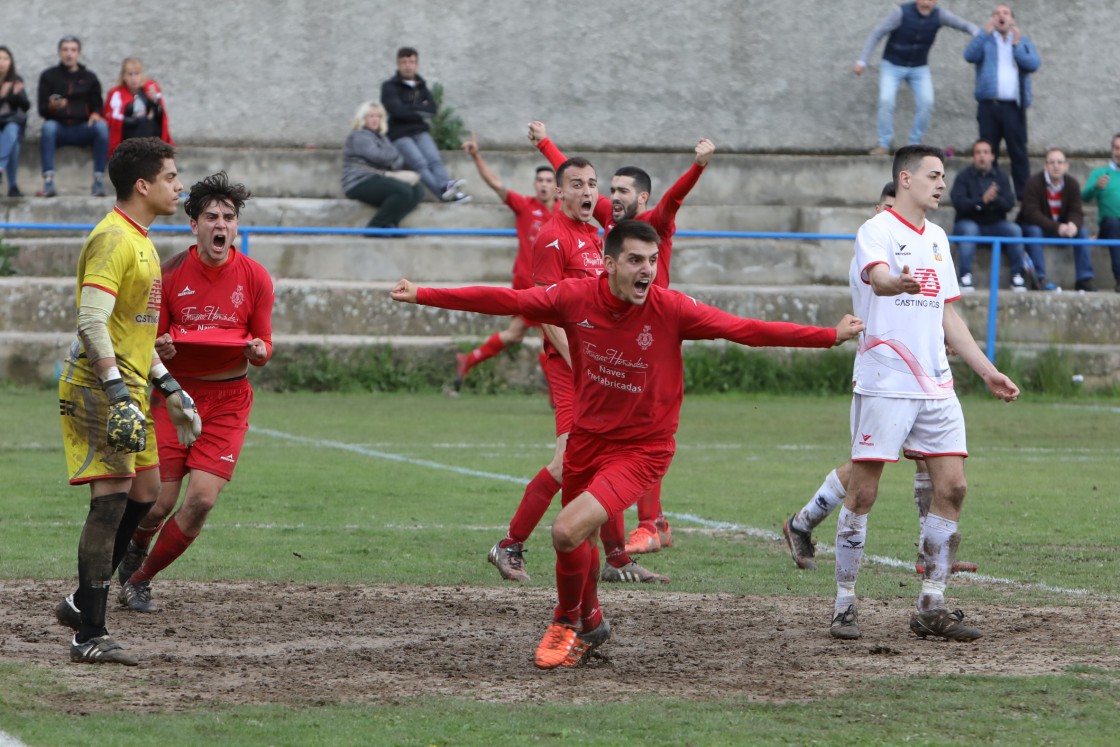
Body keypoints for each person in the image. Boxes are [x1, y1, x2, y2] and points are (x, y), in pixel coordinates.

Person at [390, 219, 864, 668]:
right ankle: (592, 621)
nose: (647, 270)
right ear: (609, 263)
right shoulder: (575, 298)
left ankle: (565, 621)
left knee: (565, 530)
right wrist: (422, 294)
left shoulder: (671, 308)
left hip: (642, 451)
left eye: (652, 261)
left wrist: (828, 336)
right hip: (587, 442)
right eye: (636, 260)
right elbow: (503, 300)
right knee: (582, 537)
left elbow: (743, 329)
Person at [829, 144, 1019, 643]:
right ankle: (844, 603)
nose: (941, 184)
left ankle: (931, 605)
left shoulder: (937, 237)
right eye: (934, 175)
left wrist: (986, 371)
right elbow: (879, 278)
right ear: (906, 179)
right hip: (886, 379)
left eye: (943, 176)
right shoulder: (877, 230)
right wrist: (895, 282)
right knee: (864, 492)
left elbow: (947, 315)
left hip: (936, 383)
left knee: (953, 487)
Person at [528, 120, 716, 558]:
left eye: (621, 191)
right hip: (622, 341)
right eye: (608, 190)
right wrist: (546, 145)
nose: (611, 197)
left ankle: (648, 525)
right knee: (621, 439)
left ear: (643, 198)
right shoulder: (610, 226)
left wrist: (698, 167)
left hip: (656, 337)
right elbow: (573, 181)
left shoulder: (654, 222)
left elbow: (674, 199)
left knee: (644, 434)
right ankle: (637, 536)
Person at [783, 182, 977, 576]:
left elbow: (929, 305)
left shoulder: (921, 241)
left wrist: (940, 336)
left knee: (931, 465)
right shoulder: (871, 255)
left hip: (921, 376)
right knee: (865, 473)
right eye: (888, 209)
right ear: (879, 209)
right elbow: (892, 298)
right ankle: (801, 522)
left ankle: (928, 554)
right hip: (884, 377)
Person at [53, 137, 194, 665]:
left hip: (129, 385)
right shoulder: (113, 239)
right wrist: (116, 391)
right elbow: (91, 322)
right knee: (110, 501)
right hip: (99, 387)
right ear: (143, 185)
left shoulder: (143, 241)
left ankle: (78, 600)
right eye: (171, 177)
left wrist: (169, 387)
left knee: (148, 493)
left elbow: (132, 333)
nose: (178, 186)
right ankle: (88, 632)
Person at [115, 171, 274, 612]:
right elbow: (149, 341)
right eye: (211, 217)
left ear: (236, 225)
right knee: (155, 504)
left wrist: (259, 351)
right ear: (194, 225)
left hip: (228, 400)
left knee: (201, 500)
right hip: (174, 397)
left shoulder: (256, 277)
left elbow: (264, 344)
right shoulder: (166, 274)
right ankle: (135, 548)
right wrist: (160, 345)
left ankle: (140, 580)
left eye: (229, 217)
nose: (221, 224)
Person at [485, 155, 612, 584]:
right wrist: (582, 363)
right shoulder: (553, 237)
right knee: (566, 463)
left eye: (592, 184)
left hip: (598, 369)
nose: (587, 192)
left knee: (600, 463)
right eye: (576, 184)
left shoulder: (594, 237)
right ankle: (510, 544)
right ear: (560, 192)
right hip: (570, 368)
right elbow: (546, 314)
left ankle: (607, 559)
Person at [451, 132, 557, 392]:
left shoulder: (565, 212)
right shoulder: (524, 206)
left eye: (548, 180)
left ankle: (469, 360)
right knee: (552, 336)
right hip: (527, 281)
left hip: (550, 282)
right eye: (539, 180)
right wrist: (476, 156)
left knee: (516, 333)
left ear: (557, 186)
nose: (543, 185)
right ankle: (558, 396)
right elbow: (495, 183)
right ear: (534, 185)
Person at [853, 1, 978, 156]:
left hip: (919, 67)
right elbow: (877, 33)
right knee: (886, 100)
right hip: (892, 64)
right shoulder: (900, 13)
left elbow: (964, 25)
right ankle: (883, 144)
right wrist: (862, 60)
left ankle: (914, 144)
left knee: (927, 102)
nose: (926, 3)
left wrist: (978, 33)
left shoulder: (940, 15)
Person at [963, 4, 1041, 201]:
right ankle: (992, 197)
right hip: (989, 106)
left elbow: (1033, 64)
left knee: (1019, 153)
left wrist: (1015, 46)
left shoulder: (1022, 42)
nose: (1001, 16)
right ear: (992, 19)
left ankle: (1025, 198)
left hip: (1014, 107)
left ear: (1012, 19)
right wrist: (983, 33)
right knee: (990, 153)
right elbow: (969, 56)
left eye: (1005, 13)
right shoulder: (985, 40)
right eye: (996, 14)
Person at [379, 46, 469, 203]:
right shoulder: (389, 87)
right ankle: (445, 196)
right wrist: (419, 108)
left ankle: (447, 190)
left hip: (420, 131)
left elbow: (432, 110)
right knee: (420, 163)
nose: (408, 65)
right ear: (398, 64)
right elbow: (396, 110)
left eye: (411, 62)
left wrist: (409, 109)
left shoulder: (421, 86)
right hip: (399, 134)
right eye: (404, 62)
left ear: (417, 64)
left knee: (434, 160)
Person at [37, 35, 110, 197]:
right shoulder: (48, 76)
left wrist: (96, 114)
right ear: (59, 53)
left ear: (79, 53)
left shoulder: (89, 77)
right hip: (59, 127)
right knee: (48, 127)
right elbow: (42, 110)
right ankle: (48, 181)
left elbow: (98, 104)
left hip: (83, 127)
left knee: (102, 128)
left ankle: (98, 180)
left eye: (73, 50)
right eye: (65, 50)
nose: (69, 54)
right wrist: (52, 107)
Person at [950, 139, 1026, 291]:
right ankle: (965, 276)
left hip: (995, 224)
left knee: (1014, 230)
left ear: (992, 156)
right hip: (968, 223)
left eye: (985, 152)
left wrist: (994, 199)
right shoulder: (963, 176)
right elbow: (958, 202)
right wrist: (981, 201)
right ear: (973, 157)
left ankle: (1017, 276)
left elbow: (1009, 203)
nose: (981, 156)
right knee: (970, 230)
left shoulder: (1001, 177)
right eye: (978, 153)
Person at [342, 101, 425, 236]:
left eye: (378, 116)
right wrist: (393, 154)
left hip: (378, 176)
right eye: (371, 116)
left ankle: (390, 224)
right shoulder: (359, 136)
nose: (375, 119)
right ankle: (373, 227)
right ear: (363, 118)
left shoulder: (381, 137)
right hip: (359, 181)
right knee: (403, 191)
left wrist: (391, 156)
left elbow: (397, 162)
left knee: (418, 190)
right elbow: (379, 157)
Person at [1019, 148, 1094, 292]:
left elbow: (1077, 211)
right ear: (1045, 165)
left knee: (1082, 232)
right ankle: (1039, 279)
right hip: (1040, 228)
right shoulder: (1033, 183)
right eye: (1051, 162)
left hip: (1061, 229)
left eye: (1060, 162)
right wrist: (1058, 227)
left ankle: (1084, 279)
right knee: (1034, 231)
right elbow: (1031, 213)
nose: (1056, 166)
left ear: (1067, 165)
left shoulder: (1072, 184)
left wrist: (1072, 225)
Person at [104, 57, 173, 157]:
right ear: (123, 76)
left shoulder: (149, 91)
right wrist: (138, 120)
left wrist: (154, 102)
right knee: (144, 123)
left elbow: (160, 118)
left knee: (148, 124)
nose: (133, 78)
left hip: (149, 135)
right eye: (130, 74)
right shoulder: (116, 93)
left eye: (137, 74)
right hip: (127, 134)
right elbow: (113, 119)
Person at [1081, 133, 1120, 293]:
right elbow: (1084, 197)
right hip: (1109, 225)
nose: (1119, 152)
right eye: (1117, 148)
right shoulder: (1100, 173)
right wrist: (1096, 186)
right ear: (1112, 150)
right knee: (1113, 224)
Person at [0, 45, 30, 197]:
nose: (2, 62)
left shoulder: (16, 80)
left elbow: (25, 107)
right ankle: (12, 186)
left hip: (10, 123)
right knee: (12, 141)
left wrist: (17, 94)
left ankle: (1, 168)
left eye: (5, 58)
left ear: (10, 62)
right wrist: (3, 94)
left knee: (12, 131)